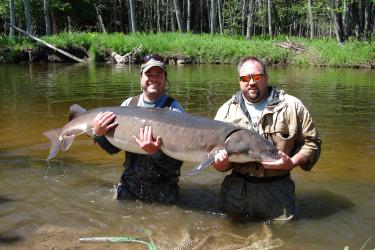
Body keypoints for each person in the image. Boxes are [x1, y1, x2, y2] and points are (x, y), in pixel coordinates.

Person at [213, 56, 321, 221]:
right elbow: (215, 157)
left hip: (278, 192)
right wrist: (220, 165)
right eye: (245, 78)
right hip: (235, 192)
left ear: (266, 78)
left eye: (257, 77)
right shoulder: (225, 112)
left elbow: (312, 143)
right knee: (230, 236)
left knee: (285, 239)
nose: (251, 82)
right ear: (239, 81)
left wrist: (292, 162)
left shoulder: (292, 106)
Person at [93, 54, 184, 204]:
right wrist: (99, 135)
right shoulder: (128, 104)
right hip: (129, 185)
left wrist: (155, 153)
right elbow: (113, 149)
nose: (153, 78)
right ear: (141, 78)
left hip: (164, 189)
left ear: (165, 78)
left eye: (158, 74)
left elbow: (177, 162)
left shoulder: (175, 110)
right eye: (148, 74)